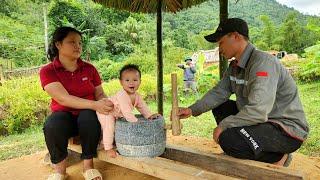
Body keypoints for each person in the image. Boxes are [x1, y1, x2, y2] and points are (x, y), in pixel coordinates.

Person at [176, 18, 309, 167]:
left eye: (221, 43)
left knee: (228, 140)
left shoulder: (262, 63)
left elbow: (258, 111)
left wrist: (224, 125)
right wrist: (192, 109)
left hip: (284, 130)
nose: (219, 49)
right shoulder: (234, 67)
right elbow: (219, 92)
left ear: (235, 36)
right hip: (262, 122)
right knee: (222, 106)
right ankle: (258, 149)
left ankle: (277, 156)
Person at [40, 26, 113, 180]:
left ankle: (88, 167)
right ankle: (60, 171)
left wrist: (105, 103)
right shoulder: (48, 71)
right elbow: (63, 98)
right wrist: (94, 104)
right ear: (58, 44)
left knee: (88, 117)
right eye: (72, 42)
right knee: (52, 124)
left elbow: (99, 93)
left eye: (80, 43)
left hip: (87, 117)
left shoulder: (89, 69)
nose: (78, 46)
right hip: (64, 115)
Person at [96, 64, 161, 158]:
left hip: (115, 113)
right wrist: (136, 123)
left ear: (140, 82)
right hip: (106, 111)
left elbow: (143, 107)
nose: (131, 83)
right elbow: (126, 112)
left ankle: (103, 142)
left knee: (114, 128)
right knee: (109, 128)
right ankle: (108, 148)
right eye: (127, 80)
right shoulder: (122, 94)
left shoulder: (137, 96)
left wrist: (149, 115)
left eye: (135, 80)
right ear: (121, 82)